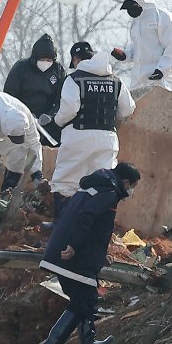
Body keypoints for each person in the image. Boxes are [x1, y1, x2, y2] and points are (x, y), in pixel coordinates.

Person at [37, 163, 141, 344]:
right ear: (126, 182)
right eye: (133, 186)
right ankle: (53, 342)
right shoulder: (109, 193)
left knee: (84, 299)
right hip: (72, 257)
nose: (131, 191)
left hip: (62, 252)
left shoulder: (93, 188)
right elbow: (86, 217)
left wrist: (100, 254)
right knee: (85, 299)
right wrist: (74, 246)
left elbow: (93, 226)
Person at [49, 42, 136, 223]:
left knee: (66, 181)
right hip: (108, 138)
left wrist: (56, 123)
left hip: (78, 135)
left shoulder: (74, 79)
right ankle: (94, 227)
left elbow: (70, 110)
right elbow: (128, 109)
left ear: (75, 60)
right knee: (103, 184)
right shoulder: (115, 80)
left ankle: (62, 226)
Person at [111, 0, 172, 91]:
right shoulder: (136, 22)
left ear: (142, 2)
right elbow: (137, 50)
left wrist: (161, 70)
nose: (129, 11)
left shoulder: (163, 17)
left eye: (132, 7)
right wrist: (125, 55)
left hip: (160, 79)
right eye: (127, 8)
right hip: (138, 80)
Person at [3, 34, 67, 146]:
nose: (45, 62)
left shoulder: (58, 70)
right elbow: (9, 96)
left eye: (49, 60)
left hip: (48, 123)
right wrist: (23, 114)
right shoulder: (21, 68)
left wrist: (51, 115)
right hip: (22, 119)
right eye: (42, 59)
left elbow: (62, 99)